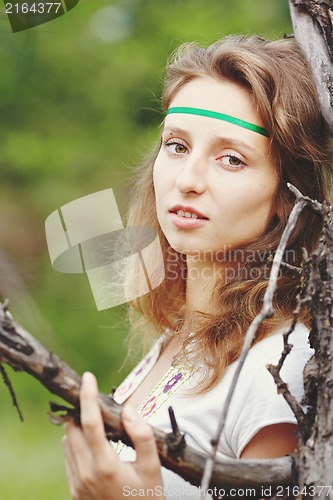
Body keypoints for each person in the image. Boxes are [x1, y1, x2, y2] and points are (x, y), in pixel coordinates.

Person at [62, 35, 333, 499]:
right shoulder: (181, 334)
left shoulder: (279, 371)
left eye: (231, 159)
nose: (187, 181)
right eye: (177, 146)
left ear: (288, 198)